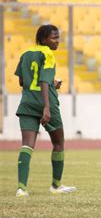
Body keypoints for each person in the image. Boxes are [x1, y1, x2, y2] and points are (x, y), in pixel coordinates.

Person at [14, 24, 76, 197]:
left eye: (58, 38)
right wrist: (47, 107)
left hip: (27, 102)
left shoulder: (25, 53)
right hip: (46, 103)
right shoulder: (48, 54)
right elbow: (42, 81)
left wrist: (51, 82)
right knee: (58, 143)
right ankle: (56, 186)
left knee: (27, 145)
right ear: (43, 39)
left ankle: (21, 188)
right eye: (54, 38)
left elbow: (22, 81)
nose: (58, 41)